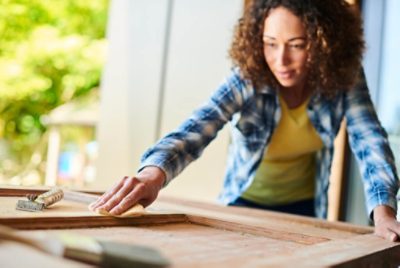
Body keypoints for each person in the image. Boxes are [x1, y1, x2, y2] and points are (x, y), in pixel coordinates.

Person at [90, 0, 400, 241]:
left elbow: (369, 138)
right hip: (242, 202)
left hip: (305, 209)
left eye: (297, 44)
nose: (281, 60)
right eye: (270, 43)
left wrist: (384, 212)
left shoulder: (344, 75)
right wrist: (151, 177)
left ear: (322, 41)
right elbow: (199, 126)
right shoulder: (248, 77)